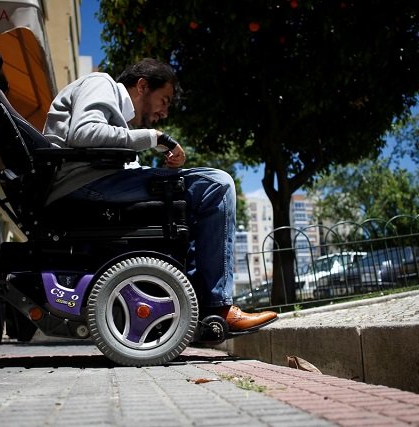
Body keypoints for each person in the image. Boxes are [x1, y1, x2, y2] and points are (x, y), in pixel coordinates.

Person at [43, 58, 277, 332]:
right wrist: (156, 137)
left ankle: (198, 308)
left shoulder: (116, 114)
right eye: (164, 100)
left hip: (91, 182)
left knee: (190, 202)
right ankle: (218, 307)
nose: (164, 112)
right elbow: (84, 132)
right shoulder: (101, 82)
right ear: (142, 86)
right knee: (217, 184)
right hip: (82, 185)